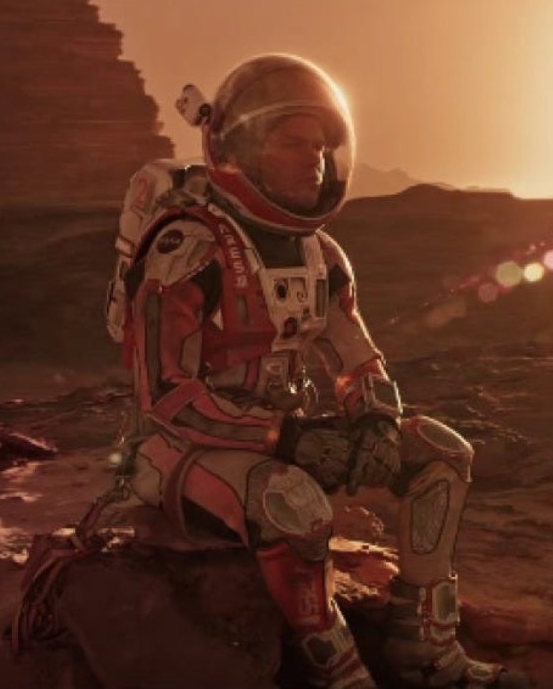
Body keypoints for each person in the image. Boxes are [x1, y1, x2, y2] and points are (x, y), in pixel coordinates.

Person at [120, 53, 527, 689]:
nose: (314, 159)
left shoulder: (321, 254)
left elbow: (355, 352)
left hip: (285, 437)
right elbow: (167, 396)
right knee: (292, 501)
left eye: (320, 145)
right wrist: (287, 439)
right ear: (242, 146)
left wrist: (374, 417)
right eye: (292, 143)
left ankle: (423, 649)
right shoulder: (186, 246)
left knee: (440, 455)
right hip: (181, 452)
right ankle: (336, 671)